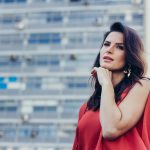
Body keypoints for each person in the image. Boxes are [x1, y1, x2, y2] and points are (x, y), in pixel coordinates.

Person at [72, 22, 150, 150]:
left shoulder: (143, 86)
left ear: (129, 56)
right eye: (106, 44)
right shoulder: (86, 108)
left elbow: (111, 129)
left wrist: (106, 83)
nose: (109, 49)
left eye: (120, 47)